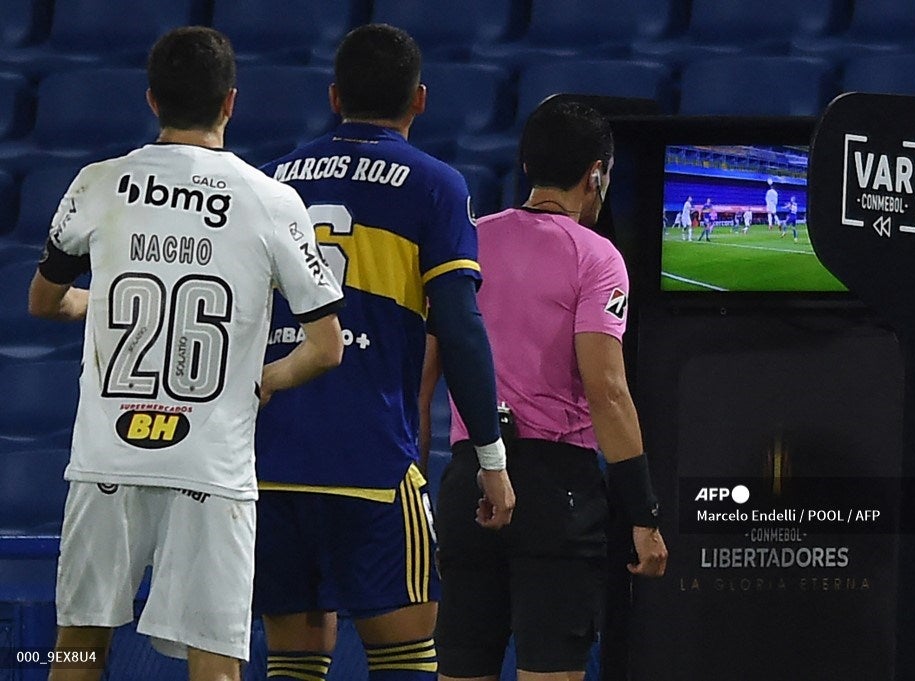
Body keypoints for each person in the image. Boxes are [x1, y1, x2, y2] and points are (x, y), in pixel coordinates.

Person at [27, 26, 345, 681]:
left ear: (152, 100)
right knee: (216, 665)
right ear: (230, 102)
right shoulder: (271, 200)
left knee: (76, 648)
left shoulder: (98, 183)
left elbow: (44, 302)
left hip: (106, 456)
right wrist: (264, 379)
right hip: (210, 464)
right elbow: (327, 347)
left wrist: (99, 302)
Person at [251, 24, 514, 681]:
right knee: (405, 659)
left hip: (270, 461)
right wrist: (491, 459)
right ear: (419, 99)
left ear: (334, 96)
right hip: (370, 459)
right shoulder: (436, 185)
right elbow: (459, 328)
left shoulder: (270, 181)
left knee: (292, 663)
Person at [423, 100, 668, 681]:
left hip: (469, 480)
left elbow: (421, 374)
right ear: (596, 174)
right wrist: (643, 513)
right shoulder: (598, 257)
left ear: (527, 164)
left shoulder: (467, 241)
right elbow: (608, 392)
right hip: (557, 493)